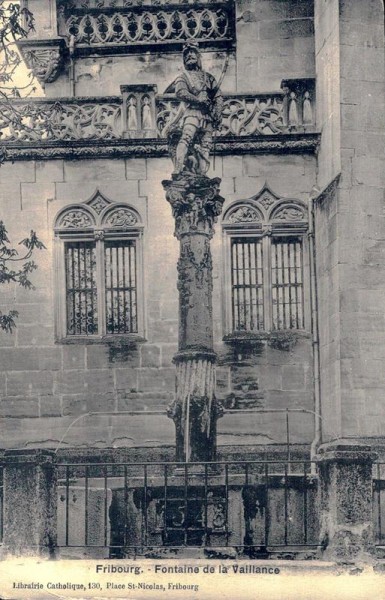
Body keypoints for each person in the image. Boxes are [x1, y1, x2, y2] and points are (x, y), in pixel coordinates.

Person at [165, 41, 223, 176]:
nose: (190, 55)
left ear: (198, 56)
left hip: (208, 115)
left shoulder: (208, 78)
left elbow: (218, 95)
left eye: (192, 53)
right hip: (193, 112)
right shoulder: (183, 76)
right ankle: (178, 168)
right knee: (186, 137)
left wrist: (217, 112)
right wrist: (198, 100)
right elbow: (180, 93)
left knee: (206, 144)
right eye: (187, 54)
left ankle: (202, 172)